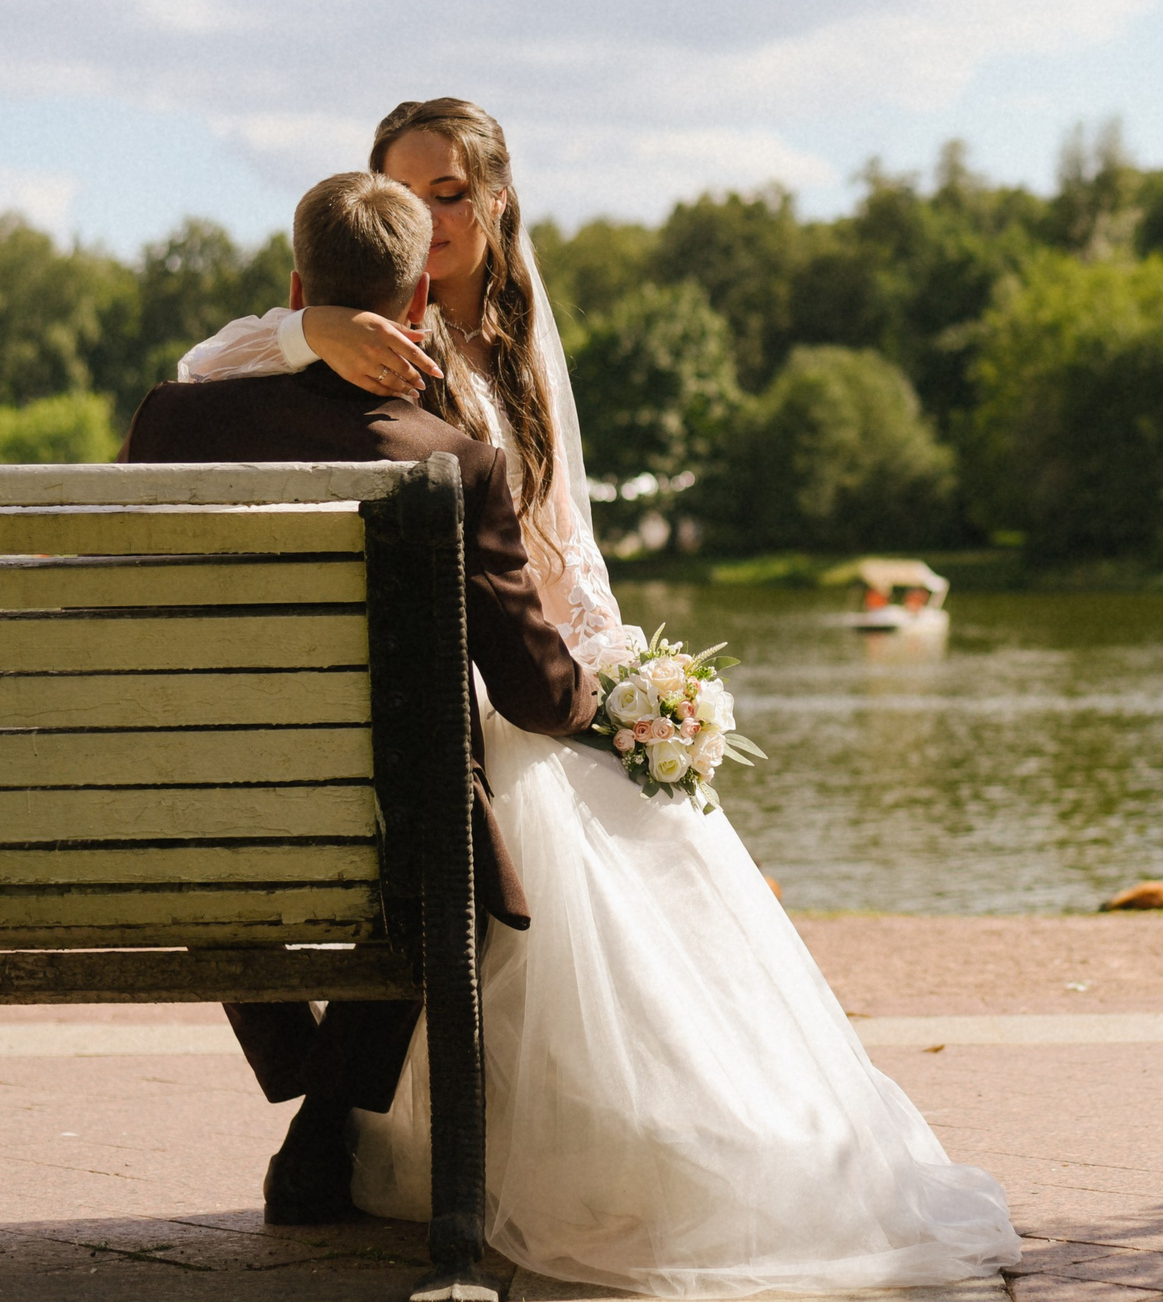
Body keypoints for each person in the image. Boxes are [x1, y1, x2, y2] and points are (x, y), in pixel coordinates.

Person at [178, 99, 1021, 1297]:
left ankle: (569, 1132)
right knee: (490, 807)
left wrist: (621, 685)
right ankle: (395, 1139)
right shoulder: (319, 339)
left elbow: (555, 546)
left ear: (498, 199)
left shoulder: (516, 350)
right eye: (403, 192)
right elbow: (206, 374)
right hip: (440, 698)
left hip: (481, 670)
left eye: (452, 191)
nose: (430, 215)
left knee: (573, 800)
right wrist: (314, 324)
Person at [121, 170, 601, 1224]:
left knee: (211, 836)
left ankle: (301, 1069)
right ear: (419, 302)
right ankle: (329, 1109)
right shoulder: (451, 462)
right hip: (382, 817)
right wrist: (604, 697)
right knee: (457, 871)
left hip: (190, 806)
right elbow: (531, 690)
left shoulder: (168, 421)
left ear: (299, 289)